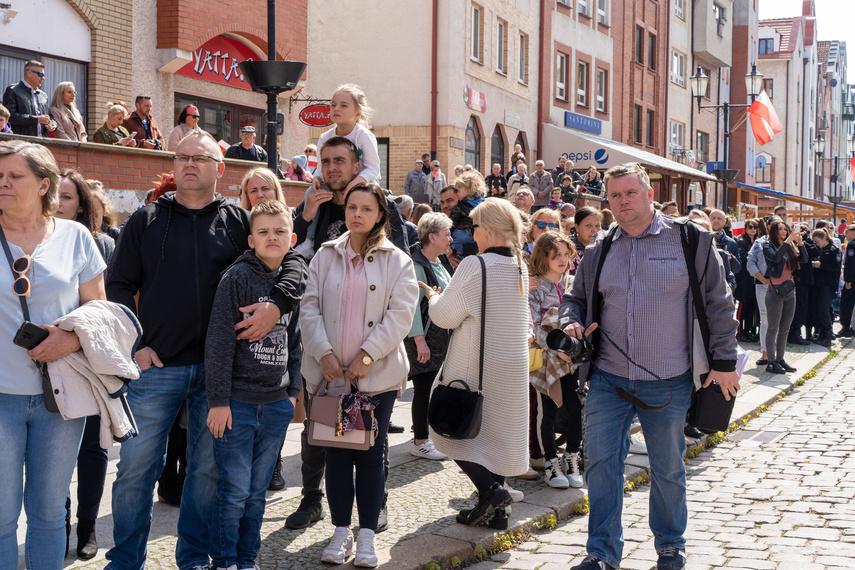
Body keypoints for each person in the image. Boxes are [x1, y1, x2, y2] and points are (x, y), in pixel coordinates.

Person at [105, 131, 307, 570]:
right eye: (182, 157)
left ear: (221, 168)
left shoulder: (238, 221)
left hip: (222, 374)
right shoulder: (146, 220)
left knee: (206, 472)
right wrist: (136, 345)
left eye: (200, 158)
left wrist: (277, 304)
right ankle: (124, 561)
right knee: (135, 469)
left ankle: (193, 558)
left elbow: (289, 257)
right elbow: (117, 285)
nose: (189, 164)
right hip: (156, 366)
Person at [560, 162, 739, 570]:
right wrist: (570, 321)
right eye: (615, 195)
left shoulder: (690, 239)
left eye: (630, 193)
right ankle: (601, 553)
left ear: (649, 194)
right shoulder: (600, 247)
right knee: (601, 464)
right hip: (607, 378)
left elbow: (719, 302)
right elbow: (575, 298)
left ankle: (671, 546)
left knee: (668, 468)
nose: (623, 201)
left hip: (670, 380)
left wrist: (724, 361)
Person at [287, 137, 410, 531]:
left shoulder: (390, 238)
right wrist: (322, 352)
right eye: (325, 161)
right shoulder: (317, 216)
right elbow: (302, 287)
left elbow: (400, 302)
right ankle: (319, 506)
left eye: (339, 160)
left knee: (371, 445)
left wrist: (370, 354)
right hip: (324, 360)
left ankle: (374, 513)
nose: (332, 167)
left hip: (373, 366)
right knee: (325, 441)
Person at [0, 140, 106, 568]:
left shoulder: (76, 237)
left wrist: (72, 340)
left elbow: (98, 310)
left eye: (14, 176)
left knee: (48, 514)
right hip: (0, 396)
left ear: (44, 184)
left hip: (60, 399)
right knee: (1, 516)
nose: (3, 183)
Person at [301, 184, 417, 567]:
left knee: (369, 454)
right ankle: (340, 532)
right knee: (335, 456)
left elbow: (400, 315)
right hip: (331, 377)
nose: (357, 214)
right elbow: (308, 308)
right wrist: (324, 353)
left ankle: (366, 534)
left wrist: (367, 356)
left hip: (376, 378)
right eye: (352, 207)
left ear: (381, 214)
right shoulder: (325, 255)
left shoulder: (397, 261)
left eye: (367, 208)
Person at [205, 199, 305, 570]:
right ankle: (225, 560)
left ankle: (247, 559)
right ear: (251, 240)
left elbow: (295, 340)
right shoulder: (237, 279)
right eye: (263, 232)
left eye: (280, 231)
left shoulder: (290, 286)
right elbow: (218, 341)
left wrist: (292, 393)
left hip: (276, 404)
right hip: (237, 404)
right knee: (234, 490)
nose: (272, 237)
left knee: (258, 491)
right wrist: (219, 400)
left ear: (292, 238)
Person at [423, 197, 530, 529]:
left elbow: (444, 316)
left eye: (475, 227)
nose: (473, 233)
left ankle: (492, 491)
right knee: (497, 435)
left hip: (476, 363)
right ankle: (497, 513)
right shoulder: (519, 265)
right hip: (512, 364)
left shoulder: (475, 264)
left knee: (450, 431)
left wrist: (432, 297)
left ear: (490, 229)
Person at [528, 231, 583, 489]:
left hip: (572, 360)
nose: (562, 260)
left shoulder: (572, 284)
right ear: (543, 257)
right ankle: (550, 462)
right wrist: (556, 347)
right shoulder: (535, 287)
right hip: (547, 359)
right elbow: (532, 324)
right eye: (555, 255)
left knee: (575, 408)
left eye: (565, 254)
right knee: (547, 412)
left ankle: (572, 457)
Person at [406, 213, 453, 461]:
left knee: (432, 389)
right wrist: (419, 340)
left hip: (438, 338)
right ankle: (420, 441)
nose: (450, 239)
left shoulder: (438, 261)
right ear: (432, 237)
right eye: (447, 234)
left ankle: (428, 436)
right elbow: (412, 306)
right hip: (425, 338)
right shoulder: (418, 265)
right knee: (423, 389)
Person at [312, 84, 380, 194]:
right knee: (310, 192)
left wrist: (355, 184)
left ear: (357, 114)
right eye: (333, 105)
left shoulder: (363, 136)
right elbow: (321, 167)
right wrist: (317, 178)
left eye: (343, 105)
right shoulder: (324, 138)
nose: (336, 108)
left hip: (363, 185)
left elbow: (372, 168)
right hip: (335, 185)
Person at [763, 220, 808, 374]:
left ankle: (780, 359)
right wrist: (788, 240)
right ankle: (771, 362)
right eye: (780, 229)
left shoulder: (791, 246)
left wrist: (800, 244)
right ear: (773, 231)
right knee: (773, 328)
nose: (783, 232)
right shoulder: (768, 246)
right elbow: (775, 258)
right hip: (774, 291)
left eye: (785, 229)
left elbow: (804, 260)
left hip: (789, 291)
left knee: (785, 329)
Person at [2, 60, 56, 137]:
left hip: (42, 141)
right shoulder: (13, 90)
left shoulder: (43, 95)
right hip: (21, 141)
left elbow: (49, 116)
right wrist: (36, 120)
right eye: (40, 74)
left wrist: (53, 124)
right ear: (29, 73)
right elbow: (9, 116)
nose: (43, 78)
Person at [810, 228, 841, 347]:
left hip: (828, 285)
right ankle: (821, 334)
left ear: (824, 238)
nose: (816, 244)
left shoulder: (834, 250)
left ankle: (827, 336)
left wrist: (821, 265)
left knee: (823, 310)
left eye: (817, 241)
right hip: (818, 284)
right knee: (819, 310)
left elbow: (836, 268)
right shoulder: (818, 250)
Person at [735, 218, 761, 343]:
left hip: (753, 279)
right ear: (745, 228)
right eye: (750, 227)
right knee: (742, 306)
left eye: (755, 227)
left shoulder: (756, 242)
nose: (752, 229)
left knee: (751, 307)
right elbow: (743, 258)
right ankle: (740, 332)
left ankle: (748, 331)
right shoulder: (742, 242)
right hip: (744, 279)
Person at [451, 172, 487, 257]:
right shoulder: (484, 204)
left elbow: (450, 225)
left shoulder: (459, 207)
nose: (457, 193)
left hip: (461, 244)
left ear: (468, 191)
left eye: (458, 190)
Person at [569, 206, 601, 276]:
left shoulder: (605, 248)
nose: (594, 230)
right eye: (589, 225)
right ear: (577, 227)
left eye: (597, 226)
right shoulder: (565, 247)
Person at [838, 226, 855, 337]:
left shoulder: (852, 245)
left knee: (846, 303)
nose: (845, 235)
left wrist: (848, 280)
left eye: (847, 233)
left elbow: (851, 264)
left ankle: (845, 328)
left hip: (852, 280)